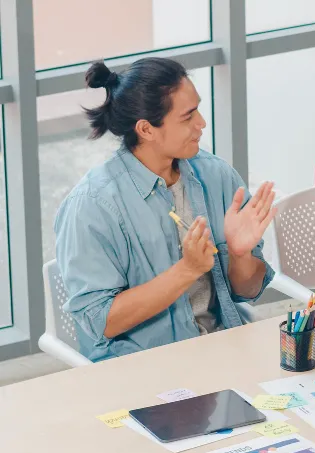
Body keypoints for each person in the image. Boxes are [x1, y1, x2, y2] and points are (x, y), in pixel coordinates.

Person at [55, 58, 276, 362]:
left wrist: (241, 255)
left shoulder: (216, 176)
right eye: (188, 117)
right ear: (146, 129)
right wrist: (187, 270)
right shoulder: (92, 205)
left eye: (197, 109)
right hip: (143, 368)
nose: (202, 123)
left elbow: (248, 291)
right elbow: (101, 321)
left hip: (220, 352)